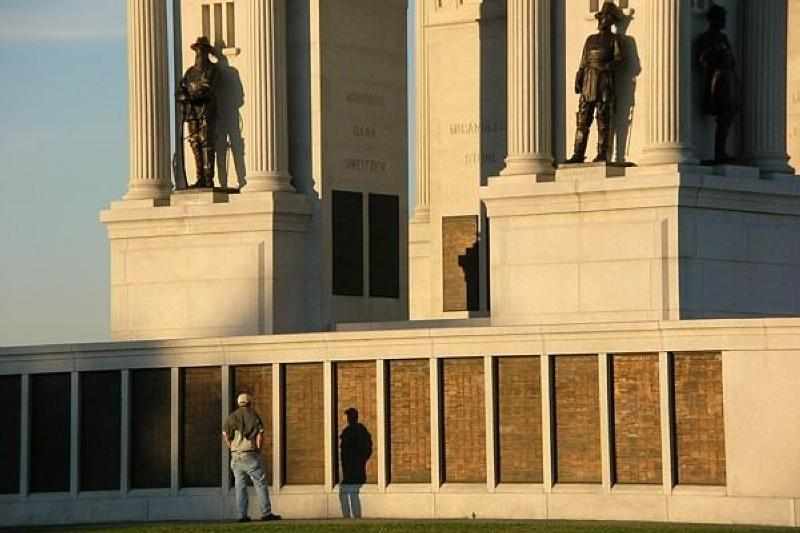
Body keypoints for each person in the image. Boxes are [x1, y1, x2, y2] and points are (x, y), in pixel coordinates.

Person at [565, 1, 625, 164]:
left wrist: (607, 66)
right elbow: (584, 60)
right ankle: (578, 153)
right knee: (583, 118)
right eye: (600, 17)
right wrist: (579, 75)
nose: (601, 20)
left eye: (604, 17)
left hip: (604, 80)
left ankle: (602, 153)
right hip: (588, 80)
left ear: (611, 20)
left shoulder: (614, 39)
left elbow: (620, 60)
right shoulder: (590, 39)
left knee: (603, 117)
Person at [222, 392, 281, 523]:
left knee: (240, 486)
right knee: (260, 484)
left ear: (238, 403)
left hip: (235, 456)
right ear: (249, 402)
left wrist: (231, 446)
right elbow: (260, 435)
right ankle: (266, 513)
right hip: (250, 454)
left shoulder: (231, 417)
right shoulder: (254, 415)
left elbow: (225, 435)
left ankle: (242, 515)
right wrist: (259, 449)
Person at [697, 4, 739, 164]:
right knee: (724, 113)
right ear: (714, 19)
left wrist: (735, 79)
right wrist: (711, 50)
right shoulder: (706, 38)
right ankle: (719, 152)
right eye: (722, 18)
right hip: (717, 79)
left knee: (729, 114)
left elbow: (731, 60)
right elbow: (701, 61)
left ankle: (721, 151)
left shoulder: (724, 38)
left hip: (727, 78)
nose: (725, 21)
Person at [177, 36, 218, 188]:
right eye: (197, 51)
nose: (199, 54)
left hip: (205, 110)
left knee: (206, 143)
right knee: (195, 143)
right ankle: (200, 176)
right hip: (191, 113)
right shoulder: (190, 72)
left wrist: (192, 97)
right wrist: (182, 97)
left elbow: (208, 88)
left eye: (202, 50)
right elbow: (181, 88)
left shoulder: (212, 69)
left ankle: (208, 178)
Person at [338, 407, 372, 518]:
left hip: (352, 470)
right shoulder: (359, 430)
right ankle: (355, 516)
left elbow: (350, 451)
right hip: (354, 469)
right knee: (352, 493)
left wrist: (358, 461)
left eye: (346, 416)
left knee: (347, 492)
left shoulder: (351, 432)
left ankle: (348, 516)